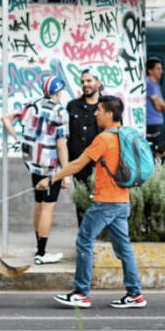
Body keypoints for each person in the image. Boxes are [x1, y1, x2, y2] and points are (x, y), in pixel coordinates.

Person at [44, 95, 146, 309]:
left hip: (105, 201)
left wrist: (53, 178)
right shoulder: (125, 135)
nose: (95, 113)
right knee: (123, 247)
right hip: (121, 200)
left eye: (99, 109)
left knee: (84, 240)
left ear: (109, 113)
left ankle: (81, 292)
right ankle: (135, 294)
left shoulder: (104, 139)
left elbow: (78, 164)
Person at [1, 75, 69, 265]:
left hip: (33, 164)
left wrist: (18, 138)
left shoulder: (31, 104)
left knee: (38, 204)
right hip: (51, 166)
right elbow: (61, 145)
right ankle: (41, 253)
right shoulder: (59, 112)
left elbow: (6, 118)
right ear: (58, 91)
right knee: (48, 208)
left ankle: (39, 246)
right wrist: (66, 174)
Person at [66, 70, 102, 226]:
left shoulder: (107, 105)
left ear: (98, 83)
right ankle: (84, 240)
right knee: (82, 203)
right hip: (79, 163)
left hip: (101, 164)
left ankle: (101, 238)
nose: (85, 85)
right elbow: (66, 136)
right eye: (83, 82)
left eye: (89, 81)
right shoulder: (73, 106)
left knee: (101, 203)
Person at [145, 58, 165, 144]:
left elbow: (164, 107)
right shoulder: (148, 83)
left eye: (161, 69)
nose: (161, 71)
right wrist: (162, 105)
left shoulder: (156, 84)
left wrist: (162, 105)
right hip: (151, 123)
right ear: (150, 71)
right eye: (158, 69)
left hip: (158, 122)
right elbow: (158, 106)